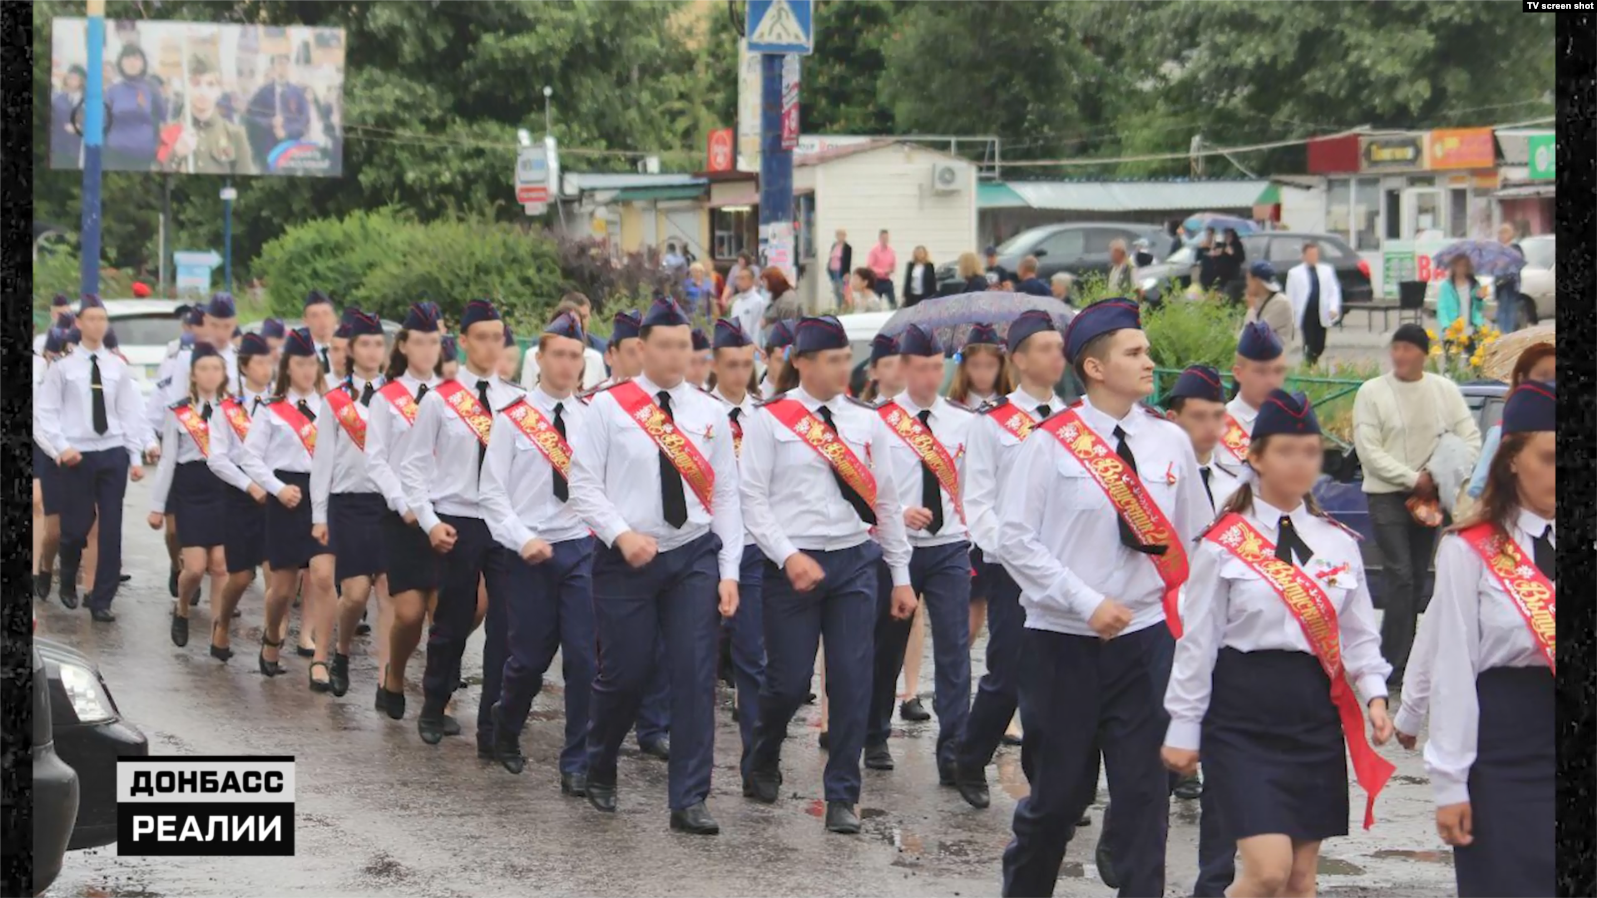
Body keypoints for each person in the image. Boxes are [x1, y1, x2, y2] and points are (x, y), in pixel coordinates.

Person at [997, 299, 1209, 898]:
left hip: (1144, 646)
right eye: (1135, 352)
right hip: (1062, 645)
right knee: (1058, 802)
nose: (1149, 362)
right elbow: (1014, 538)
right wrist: (1084, 600)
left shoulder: (1169, 443)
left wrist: (1185, 621)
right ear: (1094, 367)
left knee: (1145, 800)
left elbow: (1198, 541)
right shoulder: (1050, 444)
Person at [1163, 390, 1395, 898]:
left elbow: (1357, 634)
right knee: (1266, 872)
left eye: (1311, 451)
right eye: (1287, 450)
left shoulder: (1337, 541)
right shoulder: (1224, 543)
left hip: (1312, 714)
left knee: (1299, 880)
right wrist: (1183, 724)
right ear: (1256, 456)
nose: (1301, 463)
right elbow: (1197, 642)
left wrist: (1375, 694)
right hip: (1241, 713)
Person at [566, 298, 743, 834]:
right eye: (663, 345)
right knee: (627, 672)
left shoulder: (711, 414)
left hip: (692, 554)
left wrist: (730, 568)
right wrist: (621, 534)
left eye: (683, 345)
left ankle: (689, 797)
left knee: (694, 675)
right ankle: (599, 761)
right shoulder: (608, 408)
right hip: (626, 558)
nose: (674, 355)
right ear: (640, 349)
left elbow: (728, 497)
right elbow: (582, 485)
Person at [740, 315, 916, 835]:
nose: (844, 368)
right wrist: (786, 555)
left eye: (846, 358)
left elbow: (885, 499)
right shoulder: (771, 419)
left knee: (852, 680)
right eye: (833, 359)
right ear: (801, 362)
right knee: (789, 682)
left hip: (853, 563)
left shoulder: (866, 422)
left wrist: (900, 574)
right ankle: (764, 751)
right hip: (791, 566)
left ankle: (843, 794)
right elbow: (752, 497)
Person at [1423, 381, 1555, 898]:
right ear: (1512, 460)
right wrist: (1449, 784)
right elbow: (1453, 668)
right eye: (1547, 457)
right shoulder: (1471, 550)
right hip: (1502, 749)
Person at [478, 312, 598, 798]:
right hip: (527, 552)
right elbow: (491, 494)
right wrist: (519, 537)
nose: (568, 365)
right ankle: (506, 722)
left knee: (584, 660)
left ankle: (578, 761)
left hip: (580, 549)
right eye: (559, 355)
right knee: (527, 660)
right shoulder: (512, 419)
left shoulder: (592, 420)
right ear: (541, 358)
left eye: (575, 356)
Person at [952, 311, 1068, 810]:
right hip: (1010, 569)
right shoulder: (992, 424)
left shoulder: (1073, 420)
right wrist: (1017, 555)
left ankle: (1047, 784)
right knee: (1010, 672)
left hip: (1064, 568)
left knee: (1059, 679)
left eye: (1059, 347)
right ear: (1018, 359)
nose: (1055, 356)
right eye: (1044, 348)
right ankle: (970, 756)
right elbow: (976, 501)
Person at [399, 300, 521, 746]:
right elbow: (412, 468)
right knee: (452, 619)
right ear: (465, 342)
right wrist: (429, 521)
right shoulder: (440, 400)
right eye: (483, 337)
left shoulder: (518, 402)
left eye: (498, 336)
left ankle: (493, 723)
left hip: (504, 523)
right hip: (456, 519)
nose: (492, 345)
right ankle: (434, 702)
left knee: (506, 624)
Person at [864, 325, 975, 783]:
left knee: (954, 650)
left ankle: (953, 752)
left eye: (938, 367)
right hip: (898, 549)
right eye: (923, 368)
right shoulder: (880, 420)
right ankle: (874, 732)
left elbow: (972, 485)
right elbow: (864, 486)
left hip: (949, 547)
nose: (932, 377)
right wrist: (895, 513)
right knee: (887, 648)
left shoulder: (963, 421)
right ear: (905, 368)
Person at [1352, 325, 1482, 686]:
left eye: (1408, 348)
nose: (1400, 355)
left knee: (1418, 575)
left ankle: (1405, 658)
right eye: (1396, 348)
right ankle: (1392, 665)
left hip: (1430, 497)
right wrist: (1412, 478)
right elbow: (1370, 451)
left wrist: (1441, 473)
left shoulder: (1443, 390)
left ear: (1423, 354)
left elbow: (1470, 437)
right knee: (1401, 574)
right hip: (1386, 495)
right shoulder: (1371, 393)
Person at [34, 294, 147, 621]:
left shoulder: (117, 367)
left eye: (102, 319)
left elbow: (128, 413)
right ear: (80, 324)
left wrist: (135, 455)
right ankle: (67, 575)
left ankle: (101, 598)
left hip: (112, 453)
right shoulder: (63, 368)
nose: (97, 324)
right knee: (75, 527)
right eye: (91, 319)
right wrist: (60, 447)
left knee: (111, 526)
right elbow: (47, 412)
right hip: (77, 455)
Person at [241, 328, 336, 688]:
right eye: (300, 363)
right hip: (286, 498)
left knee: (324, 577)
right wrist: (278, 489)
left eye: (313, 363)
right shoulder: (271, 410)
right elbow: (249, 458)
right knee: (282, 589)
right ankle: (271, 638)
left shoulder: (331, 408)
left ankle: (321, 659)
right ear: (288, 367)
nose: (308, 370)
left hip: (321, 496)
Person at [364, 302, 445, 719]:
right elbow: (375, 459)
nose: (428, 350)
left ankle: (437, 697)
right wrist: (404, 503)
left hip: (445, 513)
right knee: (411, 612)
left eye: (434, 342)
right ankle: (394, 674)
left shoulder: (455, 397)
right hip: (403, 517)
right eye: (420, 342)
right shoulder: (387, 398)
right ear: (404, 346)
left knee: (446, 612)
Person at [308, 310, 390, 698]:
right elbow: (323, 461)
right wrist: (318, 515)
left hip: (390, 505)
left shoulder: (400, 398)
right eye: (365, 344)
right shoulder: (335, 400)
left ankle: (386, 680)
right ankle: (340, 651)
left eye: (378, 343)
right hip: (349, 503)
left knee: (389, 593)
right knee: (355, 594)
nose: (372, 351)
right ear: (352, 351)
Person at [707, 318, 766, 780]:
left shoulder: (764, 418)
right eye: (732, 364)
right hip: (699, 545)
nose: (740, 374)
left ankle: (756, 759)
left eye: (747, 364)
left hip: (750, 547)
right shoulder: (695, 415)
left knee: (753, 657)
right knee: (689, 653)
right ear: (714, 365)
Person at [148, 342, 231, 647]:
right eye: (203, 369)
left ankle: (218, 633)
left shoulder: (234, 410)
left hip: (222, 486)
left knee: (221, 565)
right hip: (190, 488)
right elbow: (168, 459)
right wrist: (157, 506)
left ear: (223, 374)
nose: (210, 375)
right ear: (194, 375)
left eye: (215, 369)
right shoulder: (179, 412)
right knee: (195, 568)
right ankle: (182, 607)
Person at [204, 333, 277, 661]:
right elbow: (216, 458)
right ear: (245, 367)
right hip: (239, 496)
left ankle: (272, 641)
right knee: (242, 575)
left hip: (277, 493)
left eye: (269, 361)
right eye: (259, 362)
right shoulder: (227, 409)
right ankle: (222, 621)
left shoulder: (282, 404)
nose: (266, 368)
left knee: (279, 572)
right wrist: (250, 485)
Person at [1468, 344, 1555, 500]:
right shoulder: (1502, 433)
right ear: (1522, 379)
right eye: (1544, 376)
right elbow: (1478, 488)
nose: (1551, 384)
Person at [1165, 365, 1246, 517]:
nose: (1211, 427)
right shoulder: (1157, 481)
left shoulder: (1235, 488)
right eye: (1199, 416)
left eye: (1218, 416)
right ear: (1172, 419)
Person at [162, 52, 254, 174]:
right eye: (196, 83)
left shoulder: (235, 135)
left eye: (210, 84)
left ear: (219, 90)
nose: (203, 91)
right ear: (185, 87)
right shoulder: (169, 132)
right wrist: (177, 154)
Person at [33, 327, 72, 601]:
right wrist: (58, 451)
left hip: (81, 458)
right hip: (52, 456)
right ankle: (45, 567)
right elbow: (39, 426)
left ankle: (69, 582)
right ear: (46, 354)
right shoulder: (40, 383)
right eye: (56, 352)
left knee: (81, 527)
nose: (60, 358)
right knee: (55, 529)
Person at [1220, 322, 1291, 469]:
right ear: (1238, 373)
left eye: (1278, 371)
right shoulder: (1218, 427)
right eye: (1261, 372)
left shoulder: (1291, 424)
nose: (1271, 381)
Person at [520, 296, 607, 391]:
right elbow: (526, 390)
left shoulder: (595, 357)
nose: (566, 364)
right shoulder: (532, 354)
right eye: (558, 354)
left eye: (574, 356)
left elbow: (601, 394)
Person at [244, 53, 312, 170]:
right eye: (279, 63)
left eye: (286, 64)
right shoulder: (263, 92)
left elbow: (304, 121)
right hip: (268, 150)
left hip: (291, 150)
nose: (283, 67)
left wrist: (286, 131)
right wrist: (270, 122)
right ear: (273, 67)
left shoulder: (298, 93)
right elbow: (250, 117)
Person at [104, 44, 165, 170]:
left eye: (136, 58)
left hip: (145, 156)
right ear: (120, 63)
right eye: (127, 58)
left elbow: (163, 117)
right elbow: (103, 122)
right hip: (115, 155)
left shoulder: (152, 88)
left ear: (143, 63)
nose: (132, 62)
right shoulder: (112, 91)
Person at [1285, 242, 1341, 366]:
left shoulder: (1327, 270)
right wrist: (1290, 316)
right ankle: (1309, 365)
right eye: (1310, 254)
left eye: (1315, 254)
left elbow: (1334, 291)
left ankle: (1313, 361)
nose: (1313, 257)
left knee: (1320, 343)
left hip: (1322, 311)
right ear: (1304, 256)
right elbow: (1291, 295)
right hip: (1306, 312)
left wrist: (1333, 308)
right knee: (1309, 342)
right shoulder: (1294, 273)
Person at [1243, 261, 1295, 350]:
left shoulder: (1281, 303)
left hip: (1272, 362)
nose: (1247, 284)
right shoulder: (1259, 301)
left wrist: (1251, 309)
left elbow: (1254, 336)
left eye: (1248, 280)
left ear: (1257, 281)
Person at [1437, 255, 1486, 343]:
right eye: (1458, 265)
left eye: (1464, 265)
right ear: (1453, 266)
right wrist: (1446, 326)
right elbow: (1442, 308)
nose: (1461, 268)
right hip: (1452, 331)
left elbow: (1479, 308)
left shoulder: (1474, 285)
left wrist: (1479, 299)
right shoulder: (1446, 286)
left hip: (1471, 330)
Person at [597, 310, 644, 388]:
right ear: (610, 356)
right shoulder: (597, 399)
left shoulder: (661, 397)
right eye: (632, 353)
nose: (641, 360)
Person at [51, 65, 86, 168]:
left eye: (76, 78)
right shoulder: (57, 99)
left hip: (80, 148)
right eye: (70, 77)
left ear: (82, 81)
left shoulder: (88, 101)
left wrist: (80, 128)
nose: (72, 81)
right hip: (60, 146)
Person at [1493, 224, 1525, 334]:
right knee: (1501, 309)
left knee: (1510, 309)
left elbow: (1518, 263)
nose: (1501, 235)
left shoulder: (1515, 247)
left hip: (1511, 284)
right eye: (1500, 233)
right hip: (1500, 284)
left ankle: (1507, 333)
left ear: (1510, 234)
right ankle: (1502, 333)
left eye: (1504, 232)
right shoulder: (1498, 249)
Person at [857, 333, 902, 405]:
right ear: (873, 372)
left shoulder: (913, 409)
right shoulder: (868, 412)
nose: (897, 370)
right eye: (888, 365)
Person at [301, 291, 339, 373]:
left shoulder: (349, 354)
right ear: (305, 321)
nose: (322, 321)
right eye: (315, 316)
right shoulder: (299, 357)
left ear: (335, 318)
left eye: (326, 314)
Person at [759, 319, 796, 400]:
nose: (789, 370)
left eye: (793, 363)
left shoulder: (808, 405)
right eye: (781, 361)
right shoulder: (748, 402)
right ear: (765, 357)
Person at [727, 266, 768, 339]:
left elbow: (759, 330)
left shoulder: (758, 302)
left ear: (752, 281)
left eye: (742, 278)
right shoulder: (736, 303)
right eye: (737, 278)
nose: (739, 282)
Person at [1212, 229, 1247, 305]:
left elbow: (1241, 258)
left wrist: (1233, 253)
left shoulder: (1237, 245)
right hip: (1221, 276)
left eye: (1229, 236)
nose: (1227, 237)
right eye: (1226, 235)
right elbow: (1215, 258)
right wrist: (1216, 255)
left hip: (1232, 275)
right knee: (1220, 295)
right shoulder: (1221, 245)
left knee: (1230, 295)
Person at [868, 230, 898, 306]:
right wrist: (883, 271)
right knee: (876, 303)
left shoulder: (891, 251)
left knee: (893, 302)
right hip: (877, 281)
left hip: (887, 280)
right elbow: (870, 266)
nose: (885, 240)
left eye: (887, 238)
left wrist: (891, 270)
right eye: (883, 238)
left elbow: (893, 264)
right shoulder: (874, 251)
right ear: (880, 238)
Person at [827, 230, 853, 309]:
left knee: (842, 291)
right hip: (833, 272)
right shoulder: (834, 246)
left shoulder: (847, 247)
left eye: (842, 235)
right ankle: (838, 306)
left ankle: (843, 307)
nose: (840, 237)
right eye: (838, 235)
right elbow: (831, 258)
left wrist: (847, 273)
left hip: (841, 272)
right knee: (836, 290)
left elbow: (848, 261)